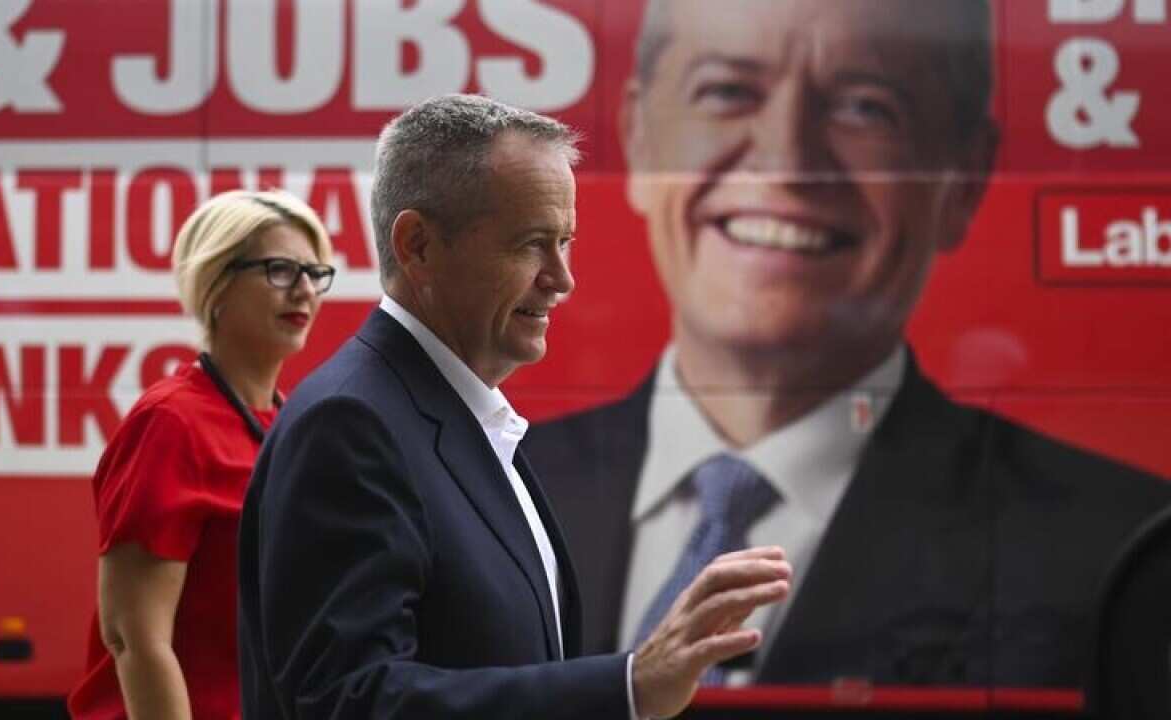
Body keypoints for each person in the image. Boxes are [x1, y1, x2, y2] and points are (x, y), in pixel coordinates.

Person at [523, 0, 1171, 688]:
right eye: (728, 91)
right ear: (638, 136)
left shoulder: (1118, 549)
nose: (788, 160)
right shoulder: (486, 494)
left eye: (866, 107)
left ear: (965, 177)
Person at [237, 94, 793, 720]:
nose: (562, 277)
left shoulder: (463, 418)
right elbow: (349, 702)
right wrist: (627, 687)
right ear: (418, 246)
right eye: (532, 244)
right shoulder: (349, 425)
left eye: (565, 241)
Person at [68, 190, 335, 719]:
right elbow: (133, 636)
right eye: (280, 269)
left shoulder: (289, 423)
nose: (304, 290)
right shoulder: (170, 423)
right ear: (217, 282)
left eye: (315, 271)